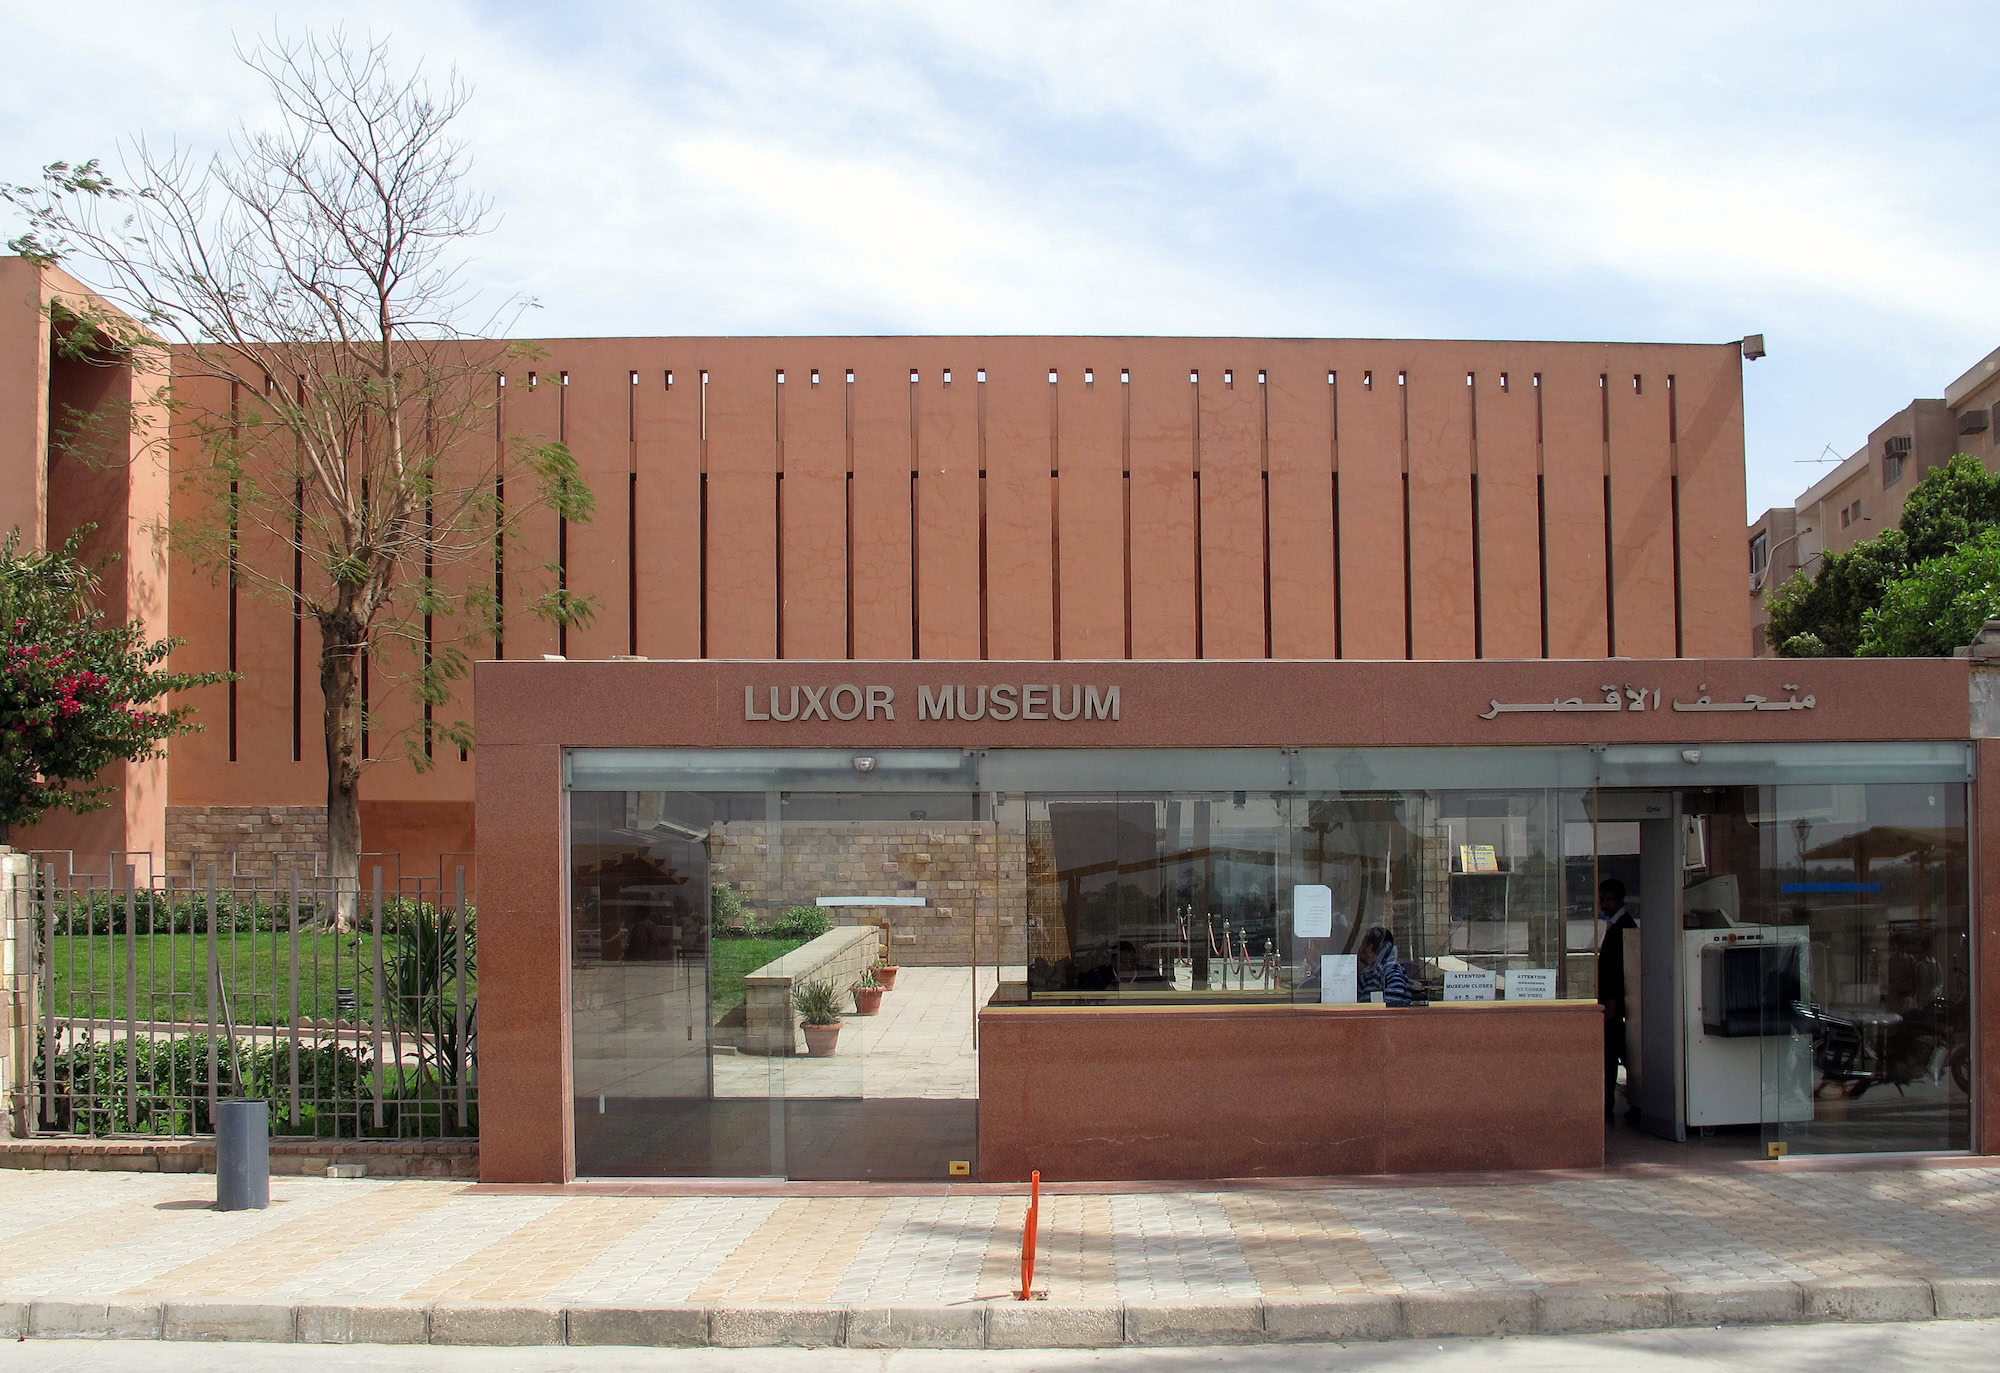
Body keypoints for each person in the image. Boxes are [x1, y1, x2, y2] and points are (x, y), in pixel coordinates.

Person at [1596, 878, 1638, 1119]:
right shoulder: (1614, 925)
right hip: (1612, 1001)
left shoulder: (1624, 927)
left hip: (1615, 1003)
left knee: (1614, 1053)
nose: (1604, 904)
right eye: (1602, 899)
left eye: (1608, 899)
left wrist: (1611, 1000)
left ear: (1620, 900)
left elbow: (1619, 969)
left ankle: (1611, 1102)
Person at [1357, 925, 1419, 1006]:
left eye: (1362, 945)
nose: (1359, 950)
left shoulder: (1392, 971)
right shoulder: (1368, 974)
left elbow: (1394, 1006)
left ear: (1369, 948)